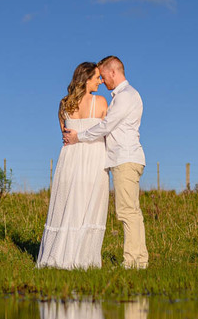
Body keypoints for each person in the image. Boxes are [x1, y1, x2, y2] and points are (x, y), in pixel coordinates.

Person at [62, 55, 147, 269]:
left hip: (125, 158)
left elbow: (107, 125)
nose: (102, 81)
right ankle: (137, 259)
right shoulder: (122, 96)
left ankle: (134, 261)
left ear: (112, 72)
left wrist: (78, 137)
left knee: (128, 211)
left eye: (103, 76)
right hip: (123, 158)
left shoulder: (126, 96)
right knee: (130, 210)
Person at [36, 62, 110, 269]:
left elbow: (65, 134)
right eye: (97, 78)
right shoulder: (101, 102)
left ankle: (59, 255)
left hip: (69, 159)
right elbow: (107, 131)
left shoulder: (64, 104)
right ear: (86, 80)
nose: (101, 81)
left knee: (68, 205)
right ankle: (84, 259)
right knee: (88, 206)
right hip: (94, 159)